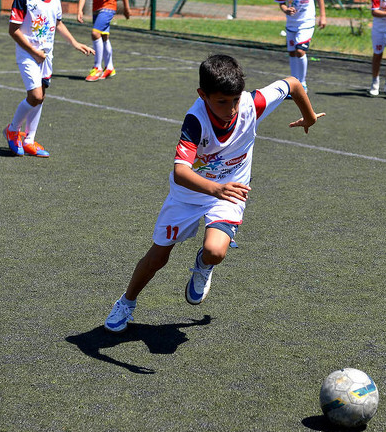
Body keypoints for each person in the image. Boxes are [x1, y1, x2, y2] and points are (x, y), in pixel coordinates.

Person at [104, 54, 325, 333]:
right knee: (159, 256)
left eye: (235, 99)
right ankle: (127, 302)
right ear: (203, 94)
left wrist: (309, 117)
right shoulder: (195, 120)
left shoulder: (251, 103)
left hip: (231, 190)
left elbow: (292, 83)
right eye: (222, 101)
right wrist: (215, 188)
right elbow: (180, 173)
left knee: (215, 251)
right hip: (190, 194)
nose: (231, 108)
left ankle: (203, 265)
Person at [4, 0, 94, 157]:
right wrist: (34, 51)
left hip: (46, 56)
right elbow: (13, 30)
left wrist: (74, 42)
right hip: (29, 54)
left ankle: (29, 141)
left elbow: (58, 23)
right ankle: (12, 130)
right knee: (34, 96)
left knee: (41, 97)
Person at [274, 0, 326, 92]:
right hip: (291, 23)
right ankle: (294, 83)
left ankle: (302, 84)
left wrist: (322, 16)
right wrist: (286, 10)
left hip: (307, 21)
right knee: (292, 52)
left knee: (300, 51)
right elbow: (281, 2)